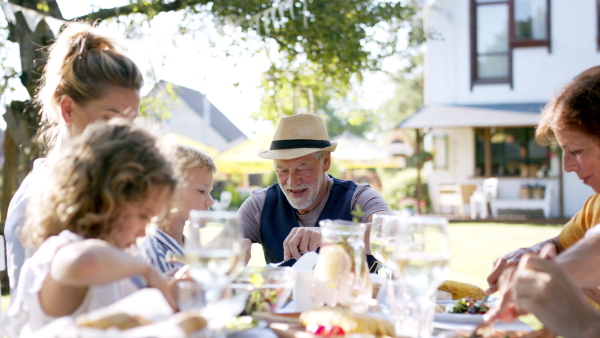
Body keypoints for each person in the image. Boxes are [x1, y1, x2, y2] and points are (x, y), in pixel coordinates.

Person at [4, 21, 143, 296]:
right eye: (109, 118)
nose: (123, 134)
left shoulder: (106, 190)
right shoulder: (36, 201)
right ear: (68, 109)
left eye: (130, 122)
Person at [5, 119, 179, 337]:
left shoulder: (113, 260)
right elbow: (85, 262)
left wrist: (167, 288)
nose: (144, 232)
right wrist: (145, 270)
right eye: (142, 215)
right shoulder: (63, 249)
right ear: (104, 200)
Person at [486, 65, 600, 294]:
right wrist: (529, 254)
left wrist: (554, 275)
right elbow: (559, 246)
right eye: (563, 152)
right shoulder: (594, 207)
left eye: (576, 151)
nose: (567, 166)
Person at [237, 113, 395, 265]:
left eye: (302, 169)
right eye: (282, 170)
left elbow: (397, 233)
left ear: (325, 162)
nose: (291, 182)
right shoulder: (260, 204)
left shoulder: (359, 198)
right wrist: (232, 246)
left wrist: (331, 235)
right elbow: (223, 244)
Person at [140, 144, 216, 275]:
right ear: (169, 191)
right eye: (202, 191)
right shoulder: (156, 256)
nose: (211, 201)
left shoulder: (189, 248)